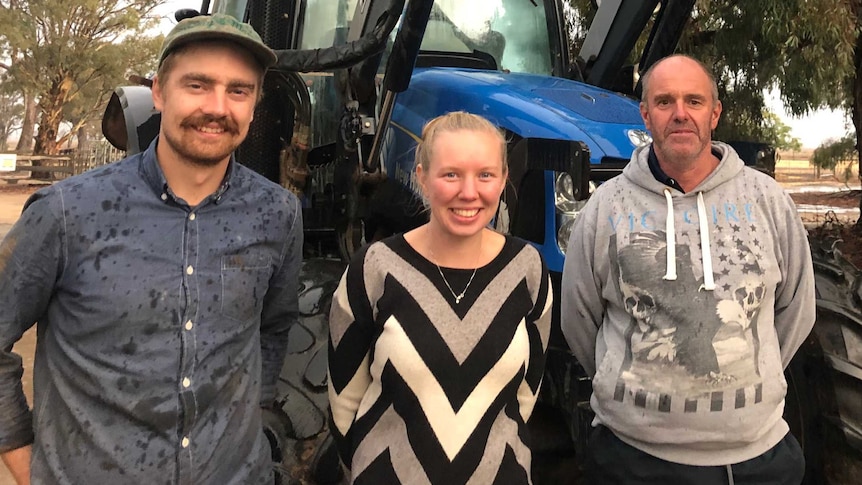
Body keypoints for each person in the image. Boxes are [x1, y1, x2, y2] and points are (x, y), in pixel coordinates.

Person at [0, 13, 302, 484]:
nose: (218, 107)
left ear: (255, 101)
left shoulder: (278, 214)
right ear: (158, 91)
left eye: (238, 90)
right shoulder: (66, 213)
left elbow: (273, 329)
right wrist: (25, 465)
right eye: (198, 85)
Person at [561, 54, 816, 483]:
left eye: (694, 101)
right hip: (632, 462)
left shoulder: (768, 201)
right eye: (664, 102)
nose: (680, 113)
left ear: (714, 113)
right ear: (645, 114)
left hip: (758, 462)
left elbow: (796, 310)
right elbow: (579, 320)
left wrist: (750, 383)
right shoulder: (606, 207)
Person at [327, 111, 551, 484]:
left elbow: (527, 394)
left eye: (485, 175)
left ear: (503, 179)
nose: (469, 192)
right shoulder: (376, 268)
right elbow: (344, 401)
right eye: (451, 174)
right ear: (422, 178)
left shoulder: (527, 269)